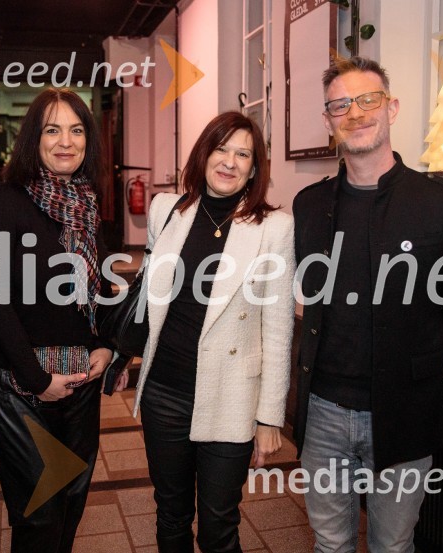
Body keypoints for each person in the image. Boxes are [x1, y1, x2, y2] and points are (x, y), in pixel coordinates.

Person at [292, 57, 443, 553]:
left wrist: (414, 353)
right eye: (340, 105)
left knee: (393, 545)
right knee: (330, 543)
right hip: (323, 411)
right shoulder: (308, 205)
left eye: (367, 100)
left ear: (392, 108)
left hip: (404, 409)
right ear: (328, 120)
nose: (354, 113)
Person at [133, 111, 295, 553]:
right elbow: (150, 291)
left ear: (256, 167)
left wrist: (268, 418)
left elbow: (278, 329)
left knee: (219, 525)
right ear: (203, 154)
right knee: (170, 514)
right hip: (164, 391)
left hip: (231, 396)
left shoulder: (274, 228)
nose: (230, 161)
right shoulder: (167, 209)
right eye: (221, 148)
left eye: (243, 153)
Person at [0, 88, 126, 553]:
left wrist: (106, 344)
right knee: (38, 513)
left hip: (79, 374)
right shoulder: (4, 200)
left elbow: (93, 287)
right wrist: (37, 378)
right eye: (52, 129)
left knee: (72, 501)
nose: (66, 141)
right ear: (32, 139)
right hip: (20, 380)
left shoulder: (86, 204)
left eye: (77, 130)